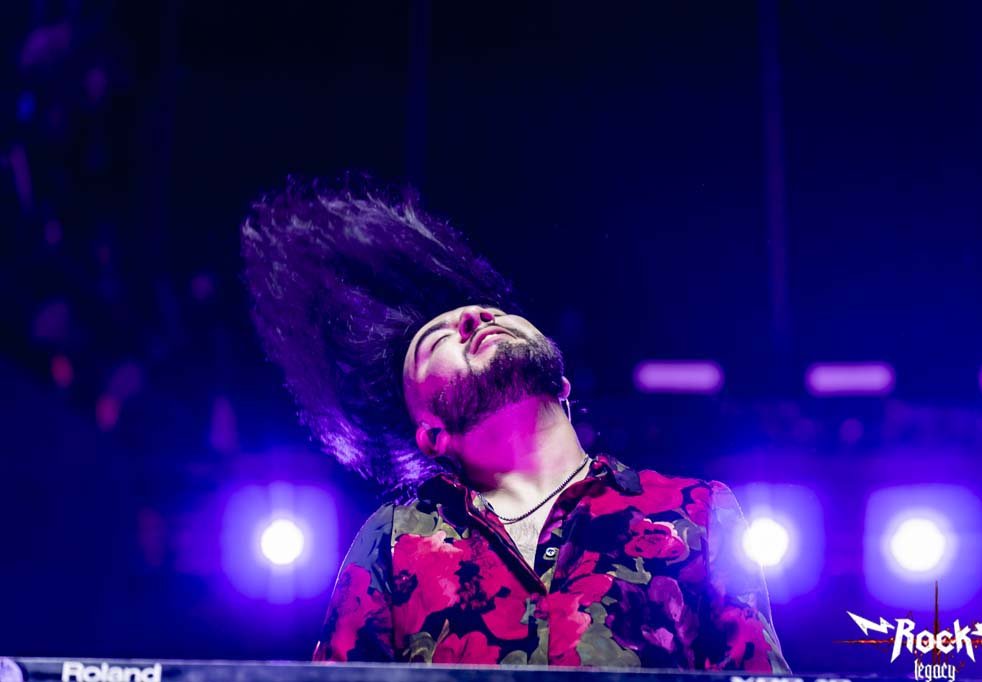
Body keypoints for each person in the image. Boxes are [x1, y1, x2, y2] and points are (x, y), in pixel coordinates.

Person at [240, 175, 790, 671]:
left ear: (562, 383)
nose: (473, 317)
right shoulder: (394, 540)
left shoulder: (697, 512)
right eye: (436, 342)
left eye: (494, 313)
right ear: (431, 433)